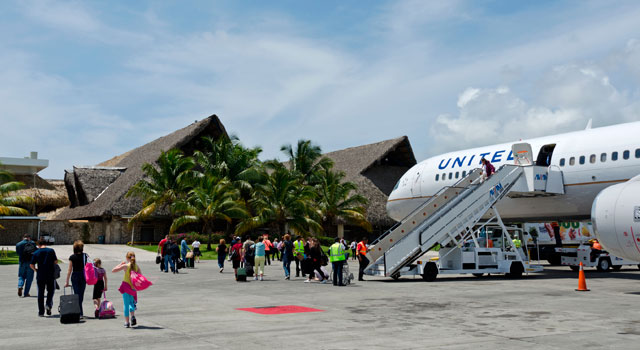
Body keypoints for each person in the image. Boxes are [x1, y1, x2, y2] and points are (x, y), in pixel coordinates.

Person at [30, 239, 58, 317]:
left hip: (40, 275)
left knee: (40, 293)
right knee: (51, 290)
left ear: (38, 245)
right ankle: (48, 304)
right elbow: (55, 261)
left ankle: (41, 312)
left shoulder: (36, 252)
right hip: (50, 274)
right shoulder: (51, 251)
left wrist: (36, 270)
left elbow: (31, 265)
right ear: (45, 243)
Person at [112, 251, 140, 328]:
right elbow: (140, 275)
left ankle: (127, 322)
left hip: (125, 286)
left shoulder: (126, 266)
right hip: (133, 288)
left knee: (126, 304)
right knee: (131, 303)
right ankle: (133, 316)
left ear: (127, 258)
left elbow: (113, 270)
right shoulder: (136, 266)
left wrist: (120, 264)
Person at [65, 240, 87, 318]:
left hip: (75, 275)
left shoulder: (72, 257)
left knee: (76, 294)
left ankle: (79, 312)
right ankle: (80, 312)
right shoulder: (85, 256)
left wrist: (67, 281)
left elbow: (69, 270)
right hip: (83, 275)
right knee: (81, 294)